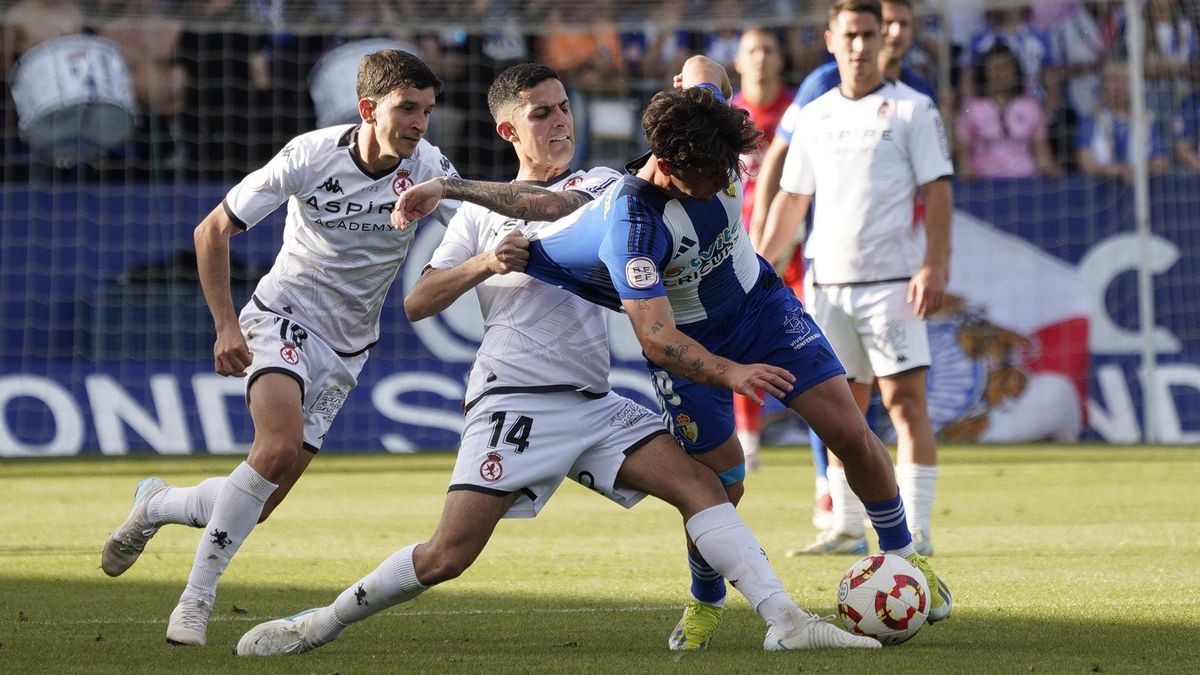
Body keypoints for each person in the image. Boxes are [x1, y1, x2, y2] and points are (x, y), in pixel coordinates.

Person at [234, 62, 880, 656]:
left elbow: (557, 205)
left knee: (703, 487)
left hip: (594, 401)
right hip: (514, 401)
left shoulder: (603, 187)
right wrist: (486, 260)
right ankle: (321, 621)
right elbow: (419, 300)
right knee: (447, 555)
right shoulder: (475, 216)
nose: (561, 121)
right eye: (542, 112)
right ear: (508, 127)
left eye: (565, 107)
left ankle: (788, 620)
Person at [393, 52, 952, 652]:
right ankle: (706, 600)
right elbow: (654, 337)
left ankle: (904, 560)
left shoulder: (705, 130)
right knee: (722, 484)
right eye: (710, 178)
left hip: (762, 308)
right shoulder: (634, 225)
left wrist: (698, 78)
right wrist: (732, 374)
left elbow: (701, 64)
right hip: (690, 346)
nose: (724, 185)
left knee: (848, 427)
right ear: (670, 166)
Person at [99, 49, 461, 647]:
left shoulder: (426, 166)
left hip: (349, 350)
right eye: (407, 108)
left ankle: (158, 505)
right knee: (276, 447)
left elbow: (471, 221)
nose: (420, 123)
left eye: (426, 110)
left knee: (257, 501)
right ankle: (196, 600)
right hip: (282, 317)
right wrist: (224, 326)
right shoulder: (310, 154)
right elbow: (211, 229)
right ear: (368, 108)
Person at [757, 0, 953, 559]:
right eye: (851, 35)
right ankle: (845, 527)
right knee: (840, 414)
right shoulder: (815, 114)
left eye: (870, 34)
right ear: (830, 40)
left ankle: (916, 533)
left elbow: (938, 189)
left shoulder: (914, 109)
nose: (862, 45)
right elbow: (794, 199)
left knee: (905, 405)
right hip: (827, 285)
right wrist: (763, 266)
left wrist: (935, 263)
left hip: (892, 282)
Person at [729, 27, 796, 472]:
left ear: (780, 58)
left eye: (768, 48)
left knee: (811, 338)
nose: (759, 57)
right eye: (751, 49)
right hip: (737, 245)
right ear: (737, 61)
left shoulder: (797, 111)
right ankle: (747, 444)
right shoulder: (725, 115)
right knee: (740, 344)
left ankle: (830, 447)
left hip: (796, 245)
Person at [955, 44, 1061, 180]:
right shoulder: (971, 107)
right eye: (995, 68)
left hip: (1026, 182)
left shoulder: (1031, 106)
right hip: (984, 184)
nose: (1001, 73)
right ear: (985, 72)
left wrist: (1051, 170)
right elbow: (963, 154)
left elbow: (1042, 154)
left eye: (1005, 67)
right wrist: (967, 170)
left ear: (1015, 71)